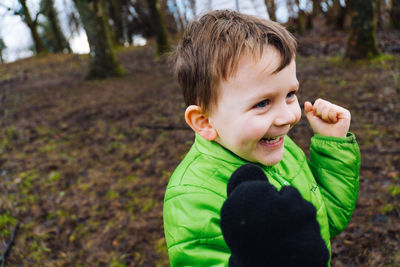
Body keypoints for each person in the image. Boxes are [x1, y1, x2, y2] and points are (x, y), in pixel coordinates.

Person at [163, 10, 360, 266]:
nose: (288, 116)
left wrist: (332, 149)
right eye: (263, 103)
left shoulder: (282, 150)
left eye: (290, 94)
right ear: (205, 121)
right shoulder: (192, 198)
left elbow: (326, 219)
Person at [195, 0, 270, 19]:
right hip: (222, 24)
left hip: (252, 22)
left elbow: (259, 6)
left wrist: (267, 24)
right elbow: (202, 7)